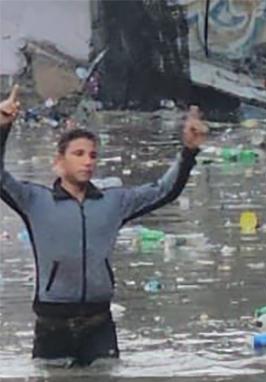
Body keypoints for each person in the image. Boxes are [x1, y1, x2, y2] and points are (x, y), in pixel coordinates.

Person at [0, 84, 209, 366]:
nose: (87, 161)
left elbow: (164, 191)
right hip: (53, 325)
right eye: (78, 154)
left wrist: (189, 151)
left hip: (99, 324)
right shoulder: (35, 200)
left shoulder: (113, 202)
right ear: (59, 162)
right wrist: (3, 128)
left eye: (92, 155)